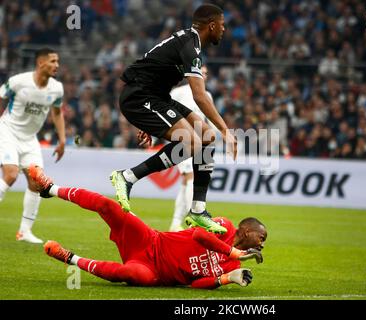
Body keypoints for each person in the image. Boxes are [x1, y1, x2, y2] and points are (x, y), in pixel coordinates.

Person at [29, 165, 266, 289]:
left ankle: (69, 258)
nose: (263, 242)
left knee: (129, 274)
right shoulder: (223, 227)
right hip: (151, 240)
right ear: (246, 231)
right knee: (108, 205)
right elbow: (198, 234)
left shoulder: (234, 264)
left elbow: (196, 284)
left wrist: (228, 278)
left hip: (156, 274)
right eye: (261, 236)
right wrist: (233, 252)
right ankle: (51, 189)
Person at [110, 3, 237, 234]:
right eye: (222, 24)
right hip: (140, 96)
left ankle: (198, 209)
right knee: (191, 142)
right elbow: (199, 96)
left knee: (207, 136)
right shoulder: (191, 47)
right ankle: (127, 177)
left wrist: (149, 121)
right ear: (211, 25)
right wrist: (226, 130)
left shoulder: (190, 42)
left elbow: (156, 70)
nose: (224, 29)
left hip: (156, 97)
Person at [0, 48, 65, 244]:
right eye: (53, 61)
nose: (57, 65)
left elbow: (57, 113)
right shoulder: (19, 81)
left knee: (36, 182)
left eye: (57, 61)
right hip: (8, 131)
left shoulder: (56, 88)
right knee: (10, 174)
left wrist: (62, 140)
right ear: (41, 63)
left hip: (30, 139)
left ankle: (24, 232)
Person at [169, 64, 216, 231]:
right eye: (201, 72)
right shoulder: (178, 92)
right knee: (191, 176)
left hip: (200, 141)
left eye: (206, 73)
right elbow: (162, 110)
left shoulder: (207, 95)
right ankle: (195, 219)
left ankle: (176, 223)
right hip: (181, 139)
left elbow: (208, 119)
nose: (204, 75)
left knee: (186, 181)